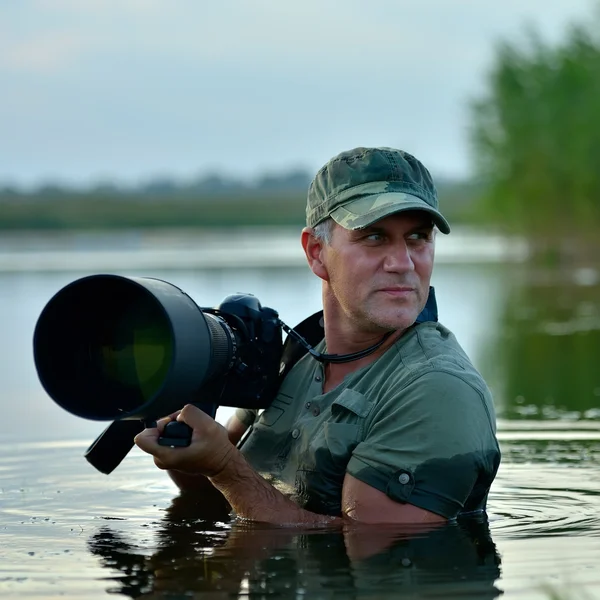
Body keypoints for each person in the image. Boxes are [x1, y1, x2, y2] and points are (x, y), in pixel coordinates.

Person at [135, 146, 501, 526]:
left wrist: (226, 468)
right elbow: (215, 492)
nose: (402, 263)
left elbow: (371, 545)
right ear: (316, 252)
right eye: (374, 237)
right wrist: (172, 399)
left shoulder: (436, 387)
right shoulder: (293, 355)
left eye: (417, 238)